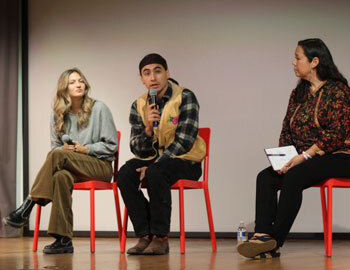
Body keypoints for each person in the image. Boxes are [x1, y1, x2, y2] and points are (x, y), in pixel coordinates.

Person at [237, 38, 350, 259]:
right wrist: (283, 157)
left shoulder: (338, 91)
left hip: (342, 158)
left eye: (297, 58)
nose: (293, 62)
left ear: (314, 61)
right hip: (306, 160)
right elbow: (287, 129)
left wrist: (304, 156)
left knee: (295, 175)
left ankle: (275, 241)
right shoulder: (298, 94)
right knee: (265, 177)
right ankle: (262, 235)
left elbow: (336, 134)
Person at [2, 68, 118, 254]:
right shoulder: (57, 114)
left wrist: (86, 149)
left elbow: (112, 145)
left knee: (58, 157)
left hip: (100, 166)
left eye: (80, 80)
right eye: (72, 82)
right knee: (61, 176)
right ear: (64, 89)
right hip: (72, 167)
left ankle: (28, 205)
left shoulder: (99, 108)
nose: (78, 84)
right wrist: (65, 150)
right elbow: (55, 148)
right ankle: (63, 239)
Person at [117, 53, 205, 255]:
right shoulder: (138, 104)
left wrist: (154, 165)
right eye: (146, 73)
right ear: (141, 79)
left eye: (157, 71)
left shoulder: (185, 96)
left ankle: (160, 237)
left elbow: (184, 141)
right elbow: (136, 148)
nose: (153, 77)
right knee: (124, 175)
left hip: (185, 162)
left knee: (156, 172)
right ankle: (145, 234)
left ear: (167, 73)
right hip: (154, 161)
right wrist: (148, 129)